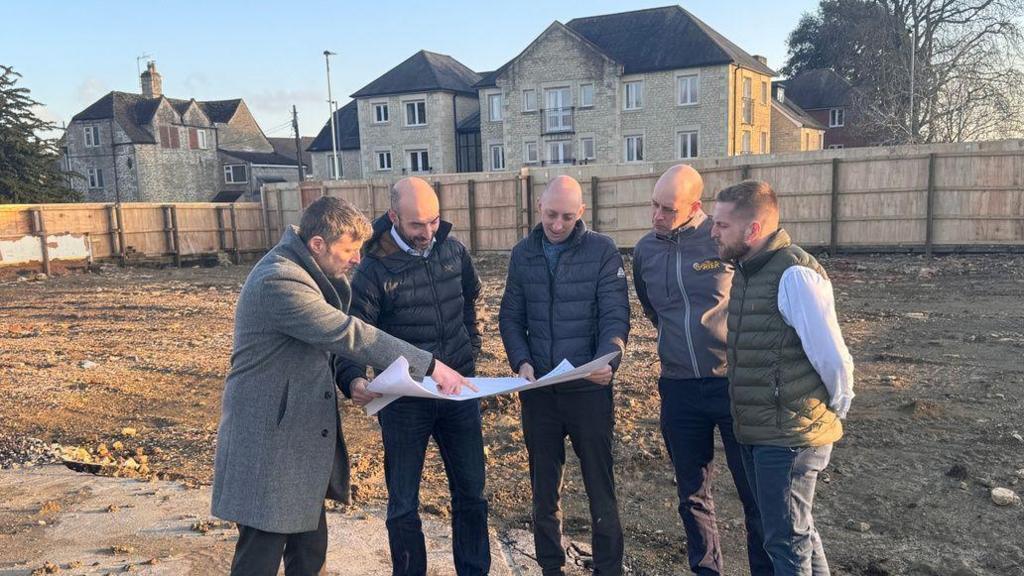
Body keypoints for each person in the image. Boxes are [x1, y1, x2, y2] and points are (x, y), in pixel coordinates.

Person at [211, 196, 472, 576]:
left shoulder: (308, 271)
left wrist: (354, 380)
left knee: (309, 552)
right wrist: (430, 365)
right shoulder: (279, 281)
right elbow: (346, 333)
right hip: (269, 445)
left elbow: (318, 344)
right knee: (260, 556)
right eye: (349, 250)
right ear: (318, 244)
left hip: (295, 443)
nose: (356, 259)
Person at [335, 177, 490, 576]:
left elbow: (472, 302)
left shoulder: (453, 251)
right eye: (417, 225)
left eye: (434, 222)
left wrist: (470, 352)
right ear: (393, 217)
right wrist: (352, 378)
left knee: (471, 494)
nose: (427, 233)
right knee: (403, 503)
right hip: (404, 403)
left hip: (457, 393)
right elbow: (352, 334)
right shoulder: (372, 269)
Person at [710, 180, 854, 576]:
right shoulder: (748, 270)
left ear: (753, 230)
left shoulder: (794, 274)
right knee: (796, 533)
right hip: (762, 430)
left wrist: (833, 410)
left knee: (785, 541)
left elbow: (833, 355)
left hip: (789, 436)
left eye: (722, 225)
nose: (713, 231)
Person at [633, 165, 771, 575]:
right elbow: (652, 309)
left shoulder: (720, 239)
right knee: (692, 495)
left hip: (732, 385)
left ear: (695, 207)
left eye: (668, 209)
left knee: (755, 494)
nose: (657, 216)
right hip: (678, 389)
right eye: (654, 206)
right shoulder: (645, 250)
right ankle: (706, 569)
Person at [499, 175, 630, 576]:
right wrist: (520, 361)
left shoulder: (603, 251)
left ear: (581, 214)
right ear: (539, 206)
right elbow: (510, 315)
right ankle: (550, 566)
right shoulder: (522, 254)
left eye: (567, 217)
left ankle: (608, 568)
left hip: (589, 392)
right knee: (543, 489)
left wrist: (609, 359)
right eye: (552, 215)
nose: (558, 225)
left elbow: (615, 314)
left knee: (599, 487)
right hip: (539, 392)